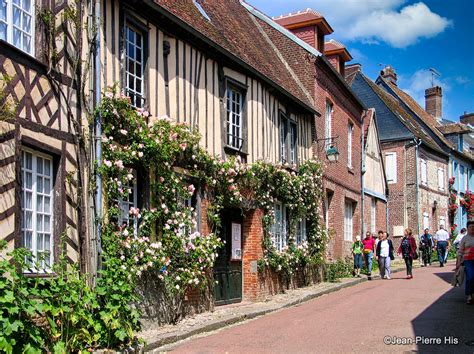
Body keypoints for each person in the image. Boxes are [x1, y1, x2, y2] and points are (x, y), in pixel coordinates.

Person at [455, 220, 474, 304]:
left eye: (473, 227)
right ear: (467, 228)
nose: (472, 228)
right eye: (470, 227)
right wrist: (458, 262)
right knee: (470, 277)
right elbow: (460, 252)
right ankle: (469, 295)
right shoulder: (464, 238)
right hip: (468, 260)